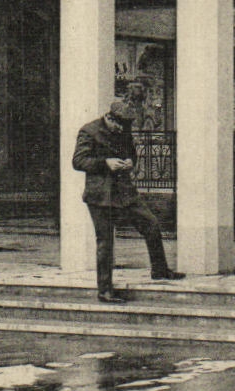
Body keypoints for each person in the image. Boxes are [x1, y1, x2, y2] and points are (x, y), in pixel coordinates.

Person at [72, 98, 183, 303]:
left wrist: (131, 161)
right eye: (119, 125)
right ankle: (105, 290)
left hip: (125, 192)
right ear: (109, 118)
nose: (122, 130)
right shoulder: (89, 131)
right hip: (101, 195)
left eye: (125, 127)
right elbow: (78, 161)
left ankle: (160, 270)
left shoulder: (123, 130)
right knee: (105, 242)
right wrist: (106, 163)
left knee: (151, 224)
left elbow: (131, 151)